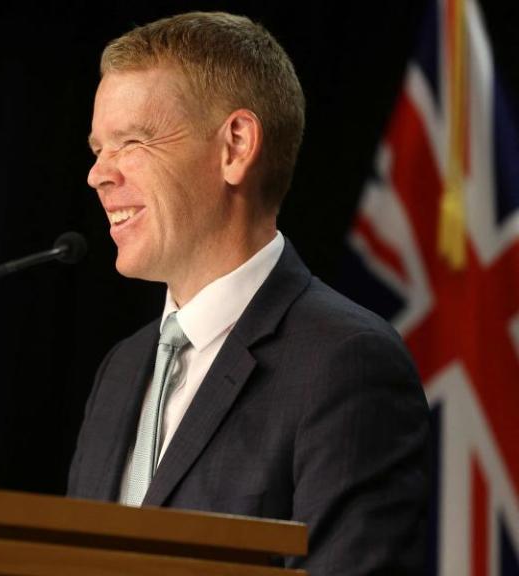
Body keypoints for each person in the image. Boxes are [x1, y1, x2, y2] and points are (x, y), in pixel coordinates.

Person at [67, 11, 429, 575]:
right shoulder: (121, 370)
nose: (98, 174)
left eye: (130, 141)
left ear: (235, 146)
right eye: (98, 148)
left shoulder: (346, 363)